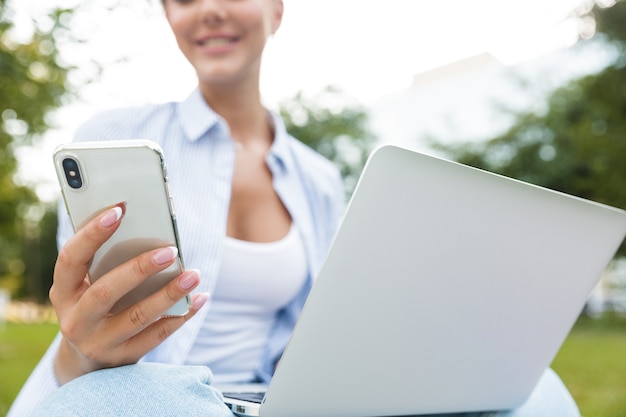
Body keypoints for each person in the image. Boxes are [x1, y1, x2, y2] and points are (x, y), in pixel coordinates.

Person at [8, 1, 581, 416]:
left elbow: (328, 323)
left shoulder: (318, 178)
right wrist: (80, 346)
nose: (206, 10)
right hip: (148, 391)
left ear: (277, 10)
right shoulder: (112, 136)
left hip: (272, 401)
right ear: (168, 18)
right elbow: (87, 330)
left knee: (539, 391)